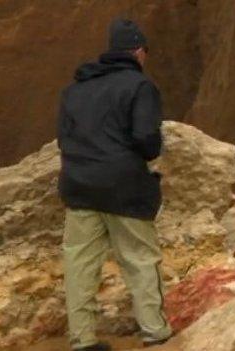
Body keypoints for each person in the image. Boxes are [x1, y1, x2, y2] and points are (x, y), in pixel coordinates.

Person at [57, 18, 171, 351]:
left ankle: (82, 339)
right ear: (138, 51)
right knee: (139, 258)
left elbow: (64, 137)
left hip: (78, 185)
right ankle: (155, 331)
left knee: (79, 264)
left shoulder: (74, 89)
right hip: (124, 187)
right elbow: (146, 138)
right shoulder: (139, 86)